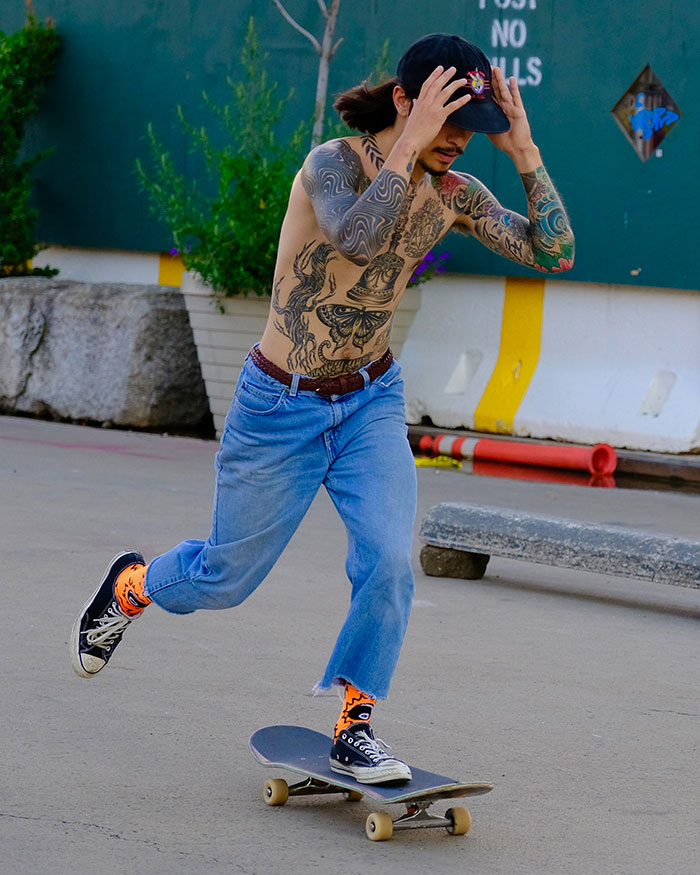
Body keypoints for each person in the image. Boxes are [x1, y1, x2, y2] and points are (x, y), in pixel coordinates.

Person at [70, 33, 574, 784]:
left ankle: (355, 725)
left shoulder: (456, 192)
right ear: (405, 102)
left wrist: (525, 151)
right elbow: (361, 239)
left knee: (389, 563)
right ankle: (131, 587)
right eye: (449, 119)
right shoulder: (331, 165)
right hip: (280, 405)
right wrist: (408, 146)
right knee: (224, 576)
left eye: (476, 127)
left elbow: (554, 253)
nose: (463, 140)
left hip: (370, 399)